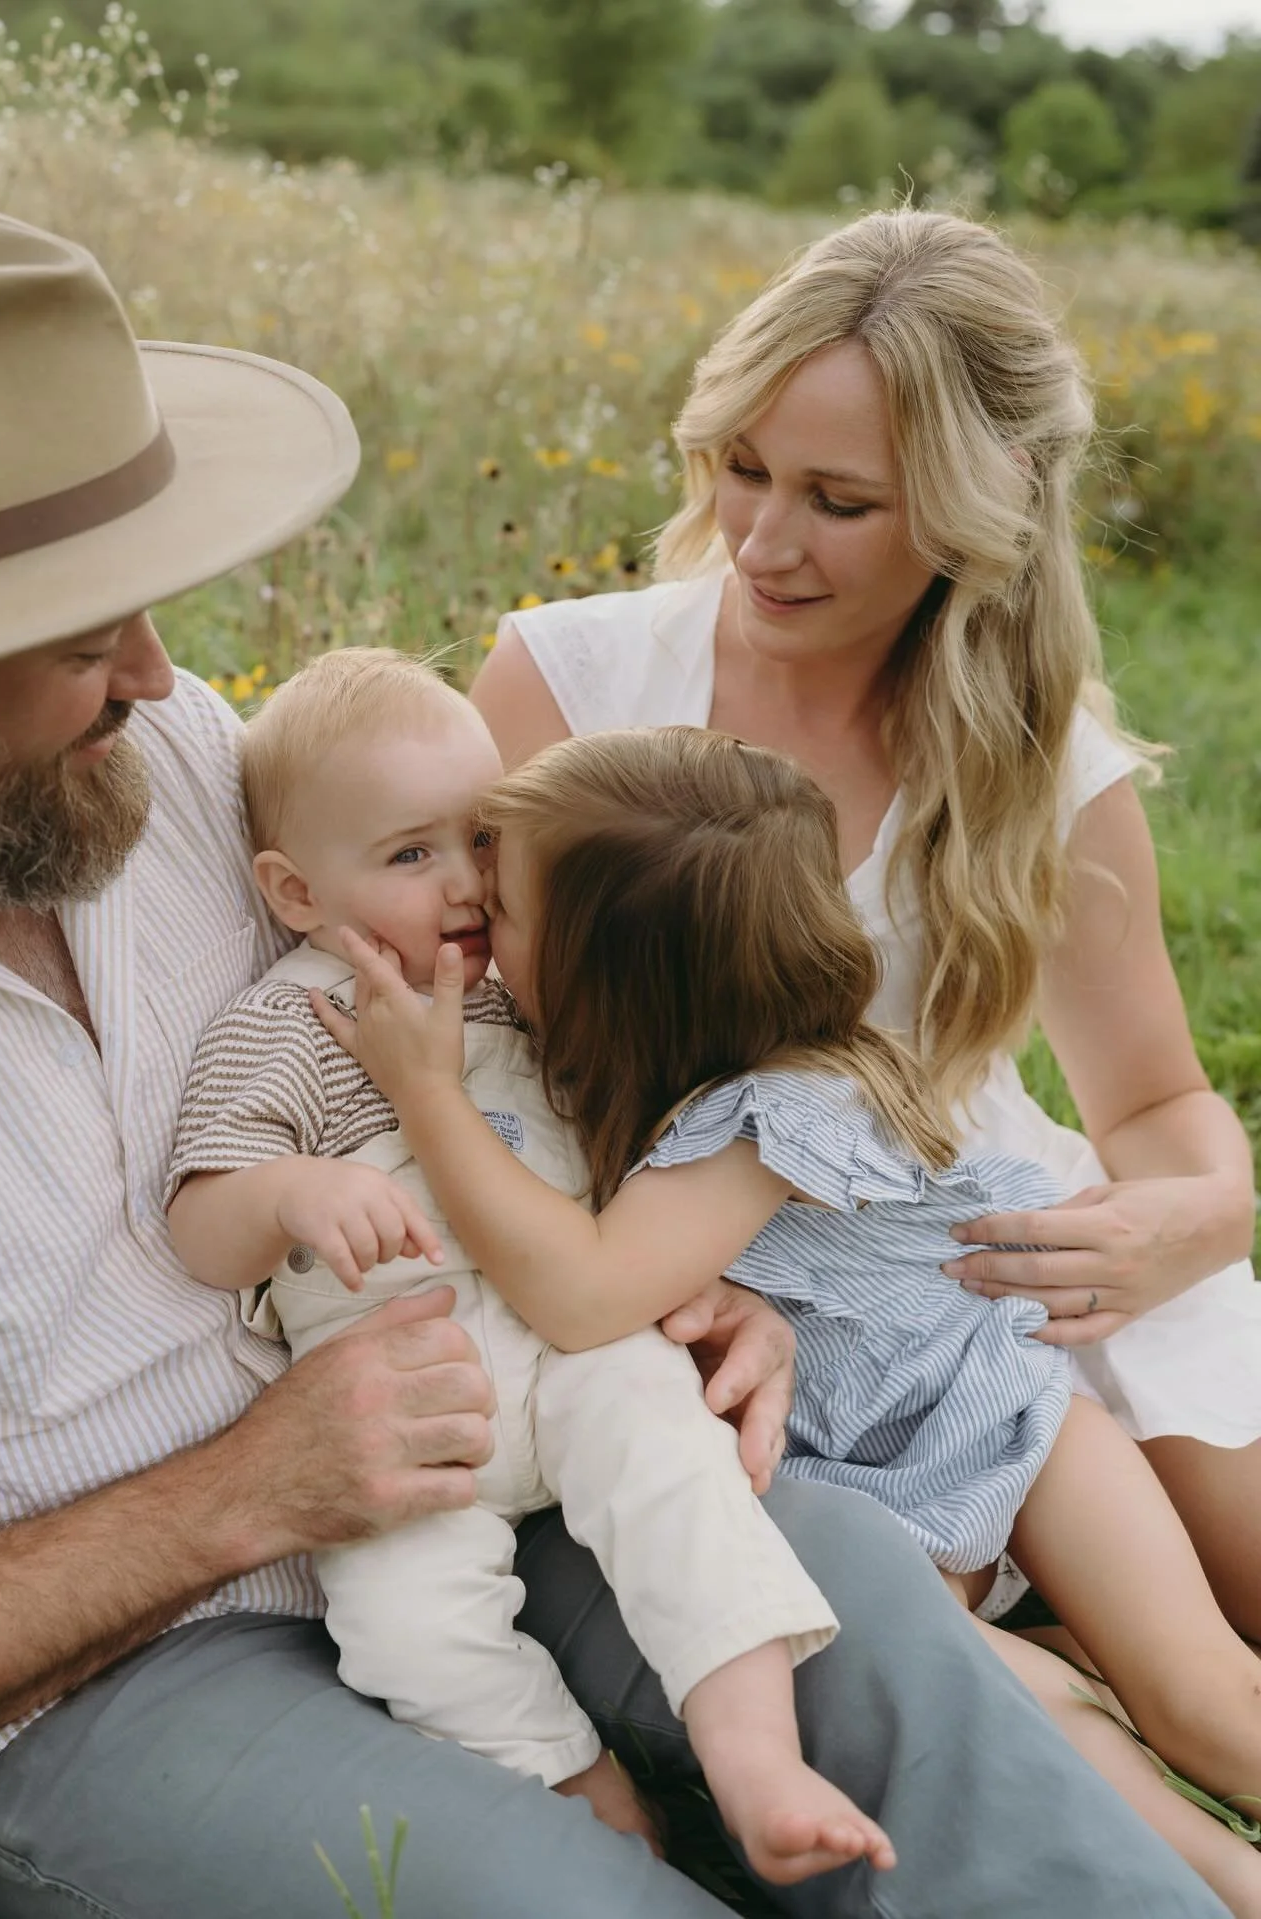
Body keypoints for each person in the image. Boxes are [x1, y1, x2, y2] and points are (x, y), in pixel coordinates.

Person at [0, 193, 1234, 1919]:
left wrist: (716, 1282)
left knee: (874, 1634)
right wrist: (236, 1490)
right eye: (80, 640)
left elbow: (506, 1017)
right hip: (109, 1667)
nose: (165, 671)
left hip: (520, 1437)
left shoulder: (179, 756)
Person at [311, 724, 1261, 1916]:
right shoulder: (599, 1081)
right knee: (1004, 1704)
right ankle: (1227, 1875)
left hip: (994, 1407)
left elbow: (584, 1288)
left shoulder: (773, 1109)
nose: (472, 921)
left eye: (500, 908)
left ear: (608, 971)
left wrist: (429, 1094)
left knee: (1207, 1695)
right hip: (862, 1488)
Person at [470, 207, 1261, 1634]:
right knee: (934, 1648)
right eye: (744, 469)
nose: (762, 541)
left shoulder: (1037, 762)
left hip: (1002, 1257)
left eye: (839, 502)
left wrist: (1196, 1215)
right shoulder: (567, 685)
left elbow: (1155, 1096)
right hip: (707, 1279)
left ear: (985, 505)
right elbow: (472, 1035)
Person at [166, 648, 895, 1888]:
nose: (463, 886)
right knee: (402, 1623)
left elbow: (630, 1189)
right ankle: (577, 1782)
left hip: (578, 1360)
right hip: (401, 1408)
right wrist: (292, 1190)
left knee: (680, 1475)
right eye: (409, 855)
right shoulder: (282, 1025)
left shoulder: (522, 997)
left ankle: (755, 1752)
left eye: (478, 840)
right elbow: (197, 1221)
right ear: (294, 891)